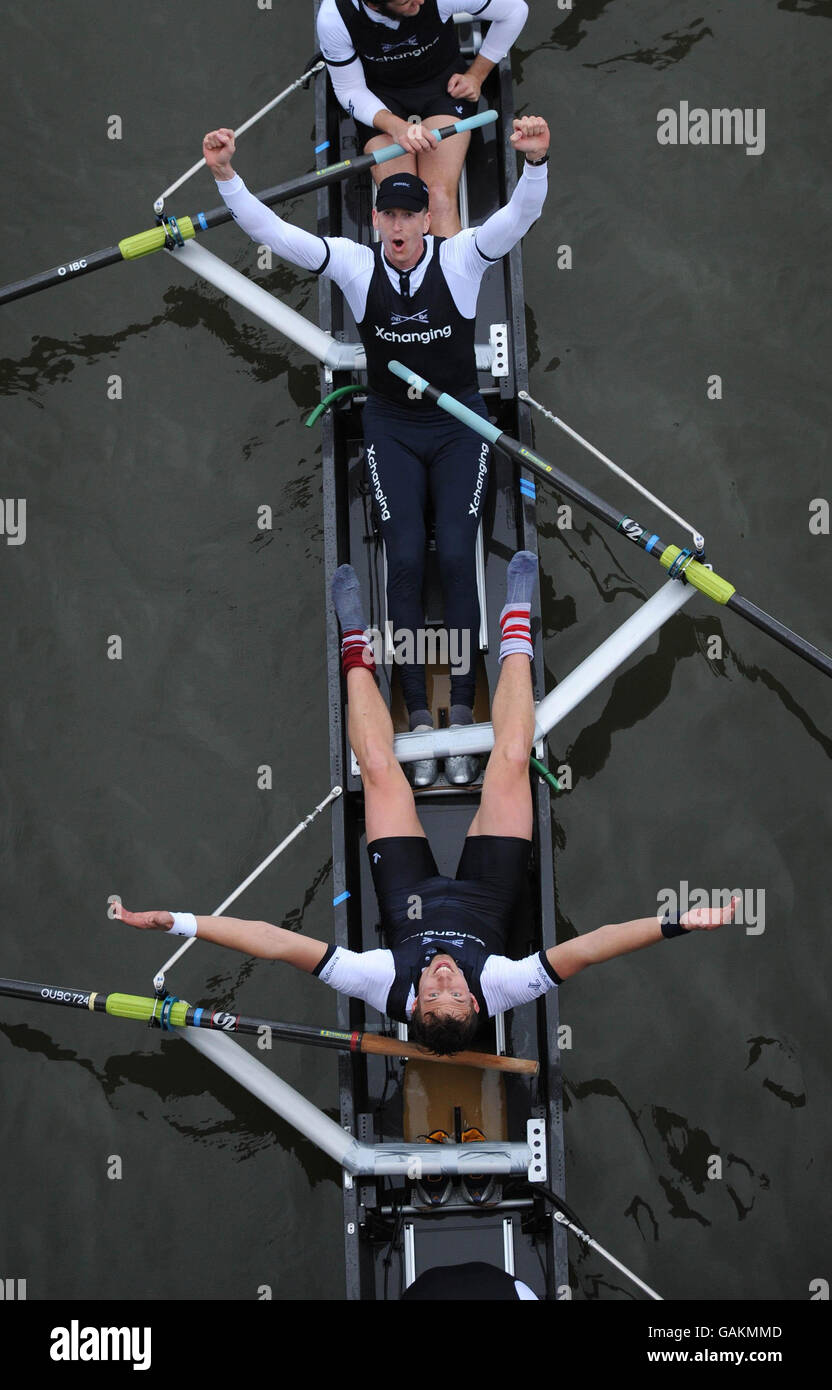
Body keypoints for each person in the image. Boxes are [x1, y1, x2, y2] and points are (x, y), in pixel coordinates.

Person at [114, 552, 738, 1057]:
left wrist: (179, 921)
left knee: (380, 770)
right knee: (514, 757)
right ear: (476, 1005)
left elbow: (270, 942)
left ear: (412, 1007)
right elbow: (595, 945)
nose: (443, 977)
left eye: (433, 993)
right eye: (456, 993)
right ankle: (516, 629)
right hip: (488, 893)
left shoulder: (382, 985)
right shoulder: (503, 987)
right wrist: (680, 922)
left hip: (406, 891)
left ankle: (355, 641)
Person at [201, 116, 550, 788]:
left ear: (426, 223)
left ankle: (458, 720)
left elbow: (521, 216)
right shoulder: (355, 262)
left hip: (459, 425)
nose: (394, 228)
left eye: (406, 216)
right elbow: (273, 234)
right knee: (406, 557)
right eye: (385, 214)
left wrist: (536, 162)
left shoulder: (465, 256)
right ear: (375, 219)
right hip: (391, 424)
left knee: (456, 554)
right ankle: (417, 713)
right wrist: (226, 178)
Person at [316, 0, 530, 237]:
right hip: (379, 99)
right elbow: (349, 90)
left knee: (438, 197)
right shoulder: (333, 18)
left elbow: (515, 11)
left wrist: (476, 75)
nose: (420, 1)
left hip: (444, 87)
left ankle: (453, 270)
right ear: (374, 5)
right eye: (407, 1)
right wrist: (396, 126)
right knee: (401, 206)